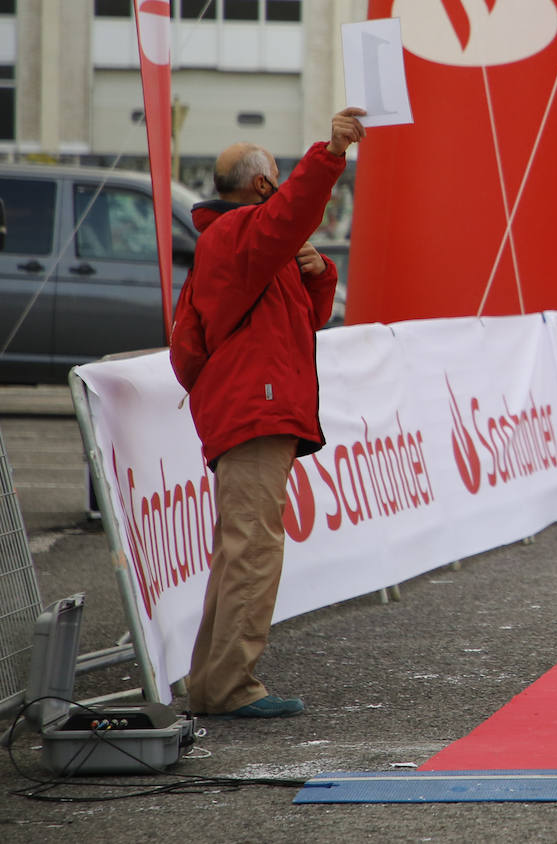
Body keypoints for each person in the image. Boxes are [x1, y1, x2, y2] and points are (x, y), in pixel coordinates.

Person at [172, 107, 366, 718]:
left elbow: (297, 321)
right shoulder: (245, 234)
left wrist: (317, 272)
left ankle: (211, 683)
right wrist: (331, 153)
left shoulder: (228, 243)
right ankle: (231, 687)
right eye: (277, 176)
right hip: (256, 411)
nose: (282, 186)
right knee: (253, 548)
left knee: (238, 550)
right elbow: (294, 210)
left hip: (241, 410)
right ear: (260, 186)